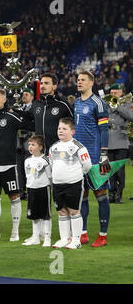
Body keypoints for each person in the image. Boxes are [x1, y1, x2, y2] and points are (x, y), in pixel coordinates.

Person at [0, 88, 30, 242]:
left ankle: (15, 232)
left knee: (14, 197)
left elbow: (30, 124)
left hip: (9, 165)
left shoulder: (12, 117)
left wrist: (19, 112)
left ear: (4, 100)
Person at [74, 70, 112, 247]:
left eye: (83, 80)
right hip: (78, 158)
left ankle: (103, 235)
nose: (79, 82)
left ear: (91, 82)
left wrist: (104, 154)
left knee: (101, 194)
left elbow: (104, 130)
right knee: (82, 194)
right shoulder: (75, 103)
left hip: (96, 157)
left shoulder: (98, 103)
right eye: (78, 80)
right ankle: (83, 233)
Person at [49, 118, 92, 249]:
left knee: (74, 211)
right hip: (57, 184)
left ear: (72, 131)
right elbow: (52, 164)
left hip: (74, 184)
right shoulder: (53, 147)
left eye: (64, 129)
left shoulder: (79, 147)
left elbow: (87, 166)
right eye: (59, 128)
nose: (60, 131)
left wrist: (75, 175)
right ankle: (64, 239)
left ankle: (76, 240)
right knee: (61, 211)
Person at [22, 135, 52, 247]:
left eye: (33, 145)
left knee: (45, 215)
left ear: (40, 147)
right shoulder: (27, 161)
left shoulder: (45, 160)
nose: (30, 147)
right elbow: (27, 176)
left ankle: (47, 237)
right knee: (33, 215)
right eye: (29, 144)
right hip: (31, 190)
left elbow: (50, 176)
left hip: (44, 189)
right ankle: (35, 237)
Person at [107, 84, 132, 204]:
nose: (113, 95)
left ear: (121, 92)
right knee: (109, 170)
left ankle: (119, 194)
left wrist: (117, 105)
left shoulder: (127, 103)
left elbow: (130, 116)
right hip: (108, 140)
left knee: (120, 170)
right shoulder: (106, 103)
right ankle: (111, 194)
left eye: (115, 93)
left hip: (121, 140)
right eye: (112, 93)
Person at [16, 88, 35, 201]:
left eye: (26, 94)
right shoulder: (18, 108)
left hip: (29, 141)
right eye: (23, 94)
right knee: (20, 168)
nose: (24, 96)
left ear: (32, 97)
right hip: (18, 142)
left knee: (29, 167)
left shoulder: (34, 109)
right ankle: (21, 191)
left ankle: (31, 190)